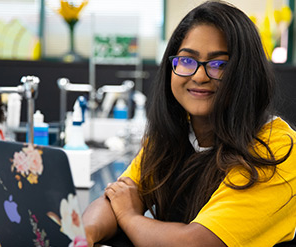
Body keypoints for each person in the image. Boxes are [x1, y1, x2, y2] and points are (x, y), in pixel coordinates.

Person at [82, 1, 296, 246]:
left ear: (246, 73)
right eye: (187, 60)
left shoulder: (276, 148)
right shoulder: (174, 134)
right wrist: (83, 236)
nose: (199, 76)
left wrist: (129, 217)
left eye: (219, 65)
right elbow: (116, 198)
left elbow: (196, 242)